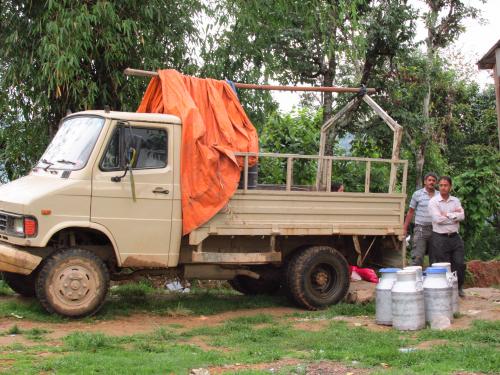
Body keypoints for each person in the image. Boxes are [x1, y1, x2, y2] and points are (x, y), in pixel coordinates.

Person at [428, 176, 466, 297]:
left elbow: (462, 216)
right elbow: (438, 219)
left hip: (455, 237)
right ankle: (445, 291)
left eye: (446, 185)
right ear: (439, 187)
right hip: (440, 238)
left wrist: (448, 215)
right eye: (441, 185)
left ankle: (459, 288)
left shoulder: (455, 201)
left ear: (450, 187)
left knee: (459, 263)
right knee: (443, 264)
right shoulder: (433, 201)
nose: (443, 187)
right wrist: (454, 217)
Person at [403, 172, 439, 267]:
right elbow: (410, 212)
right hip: (420, 229)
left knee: (435, 259)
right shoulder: (417, 194)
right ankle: (412, 279)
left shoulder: (439, 195)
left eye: (433, 180)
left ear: (436, 183)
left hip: (436, 230)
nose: (431, 182)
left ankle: (433, 280)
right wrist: (404, 227)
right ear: (425, 182)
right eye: (429, 180)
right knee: (417, 256)